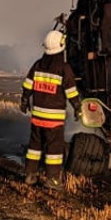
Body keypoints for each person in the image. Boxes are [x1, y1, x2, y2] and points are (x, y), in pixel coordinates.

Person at [20, 30, 81, 189]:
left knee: (34, 147)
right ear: (62, 46)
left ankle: (30, 175)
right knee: (54, 150)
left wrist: (25, 100)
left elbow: (27, 85)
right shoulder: (64, 68)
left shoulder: (38, 64)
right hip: (53, 121)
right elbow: (71, 92)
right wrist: (78, 108)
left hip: (37, 118)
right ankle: (53, 179)